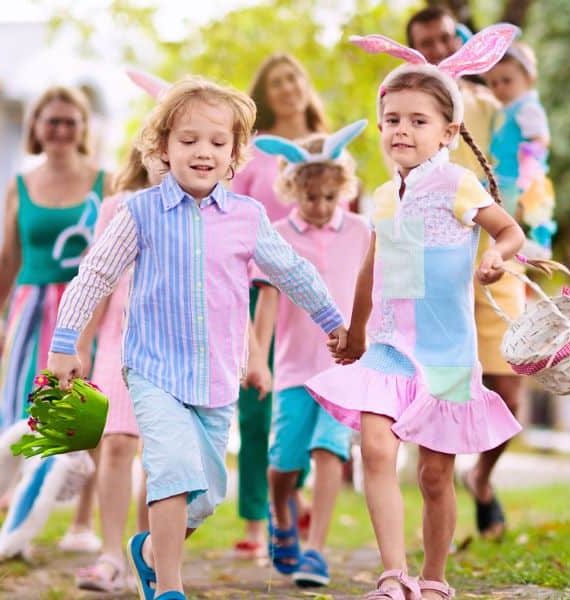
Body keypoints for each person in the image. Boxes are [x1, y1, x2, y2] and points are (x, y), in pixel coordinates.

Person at [45, 76, 348, 600]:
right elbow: (93, 275)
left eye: (216, 142)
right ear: (162, 148)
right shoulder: (138, 213)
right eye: (188, 140)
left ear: (235, 155)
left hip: (216, 376)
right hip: (153, 371)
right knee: (172, 472)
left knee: (205, 495)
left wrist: (332, 321)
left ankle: (145, 553)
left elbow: (292, 271)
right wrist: (64, 341)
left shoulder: (247, 218)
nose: (202, 152)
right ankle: (169, 586)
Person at [306, 24, 524, 599]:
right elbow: (370, 268)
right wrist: (353, 334)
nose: (402, 129)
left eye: (417, 120)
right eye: (393, 119)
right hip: (387, 349)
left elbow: (509, 231)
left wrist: (497, 259)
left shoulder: (458, 183)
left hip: (448, 355)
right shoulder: (382, 195)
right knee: (375, 449)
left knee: (434, 475)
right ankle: (393, 573)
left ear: (449, 132)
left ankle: (434, 578)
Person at [406, 7, 524, 539]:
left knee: (508, 387)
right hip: (435, 269)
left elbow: (526, 164)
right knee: (441, 390)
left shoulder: (491, 106)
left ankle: (483, 477)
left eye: (445, 37)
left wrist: (522, 234)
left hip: (496, 256)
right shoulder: (406, 111)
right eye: (425, 41)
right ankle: (442, 505)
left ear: (463, 38)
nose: (437, 47)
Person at [244, 121, 372, 587]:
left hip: (344, 369)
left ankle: (316, 549)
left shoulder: (361, 231)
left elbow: (370, 294)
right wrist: (258, 356)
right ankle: (281, 517)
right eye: (309, 197)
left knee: (329, 450)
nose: (318, 207)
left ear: (343, 190)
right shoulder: (276, 233)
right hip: (295, 368)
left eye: (328, 197)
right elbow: (268, 300)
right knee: (284, 463)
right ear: (292, 190)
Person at [0, 84, 109, 553]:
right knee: (21, 406)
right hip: (30, 308)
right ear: (36, 127)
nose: (59, 129)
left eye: (69, 121)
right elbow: (6, 257)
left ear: (83, 129)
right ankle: (17, 516)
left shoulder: (105, 181)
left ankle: (81, 523)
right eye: (50, 121)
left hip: (87, 306)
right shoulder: (20, 184)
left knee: (83, 406)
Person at [228, 53, 328, 558]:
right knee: (256, 405)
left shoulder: (330, 147)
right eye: (277, 81)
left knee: (306, 400)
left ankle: (291, 496)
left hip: (310, 294)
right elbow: (232, 213)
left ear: (305, 83)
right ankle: (252, 517)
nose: (288, 87)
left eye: (294, 76)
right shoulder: (253, 152)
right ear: (265, 94)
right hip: (254, 287)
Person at [74, 69, 167, 594]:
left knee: (159, 457)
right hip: (118, 341)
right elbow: (98, 280)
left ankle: (147, 551)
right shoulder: (117, 206)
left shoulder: (205, 211)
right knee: (114, 445)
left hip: (169, 351)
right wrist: (80, 343)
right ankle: (111, 553)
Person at [482, 41, 557, 249]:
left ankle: (524, 248)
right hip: (503, 175)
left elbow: (541, 139)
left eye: (507, 80)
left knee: (507, 219)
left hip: (518, 178)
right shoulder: (507, 108)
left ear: (528, 77)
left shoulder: (527, 107)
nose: (500, 88)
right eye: (494, 83)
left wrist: (529, 162)